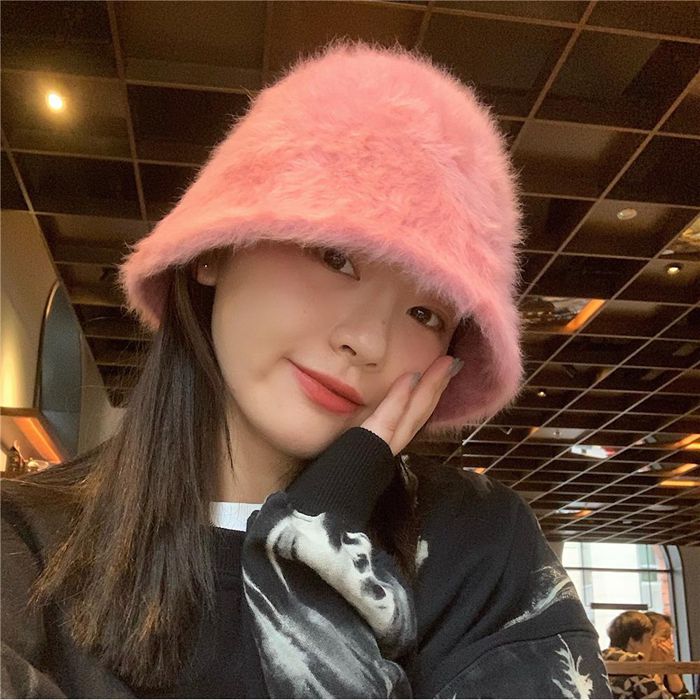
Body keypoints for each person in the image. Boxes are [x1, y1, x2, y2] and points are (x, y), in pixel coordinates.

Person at [1, 41, 611, 698]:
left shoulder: (479, 544)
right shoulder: (24, 543)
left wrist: (312, 564)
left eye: (424, 313)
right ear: (214, 251)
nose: (367, 341)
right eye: (334, 256)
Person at [602, 611, 672, 698]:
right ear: (632, 641)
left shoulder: (600, 662)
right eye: (649, 639)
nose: (652, 645)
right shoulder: (636, 669)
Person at [647, 612, 689, 698]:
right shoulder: (636, 668)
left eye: (670, 637)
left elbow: (679, 692)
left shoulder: (668, 664)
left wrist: (669, 663)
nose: (670, 643)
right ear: (647, 639)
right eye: (665, 636)